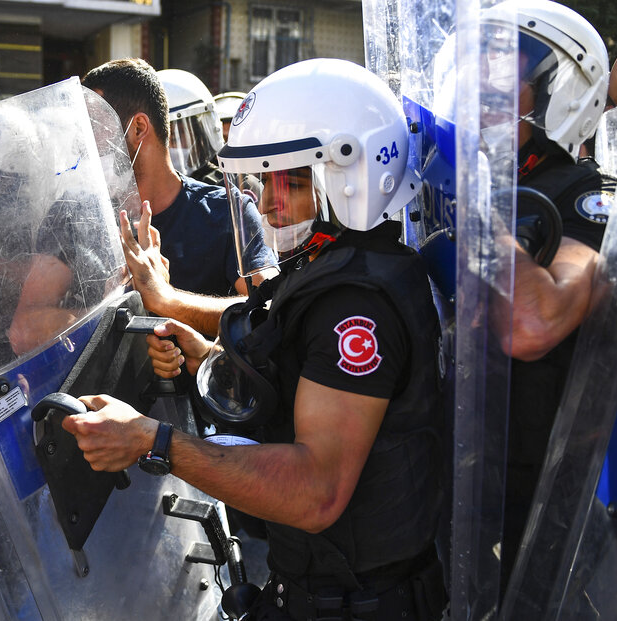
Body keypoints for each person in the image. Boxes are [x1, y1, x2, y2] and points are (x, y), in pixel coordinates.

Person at [63, 59, 447, 621]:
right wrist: (210, 357)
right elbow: (300, 382)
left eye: (285, 180)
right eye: (261, 182)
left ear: (347, 171)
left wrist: (154, 441)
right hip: (311, 589)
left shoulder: (355, 305)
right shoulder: (330, 270)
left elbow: (318, 490)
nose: (266, 203)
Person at [471, 0, 616, 587]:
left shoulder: (590, 195)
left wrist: (477, 206)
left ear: (565, 93)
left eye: (506, 83)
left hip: (544, 494)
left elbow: (534, 323)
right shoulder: (474, 175)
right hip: (464, 477)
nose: (485, 95)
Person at [81, 59, 274, 309]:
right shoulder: (80, 218)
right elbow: (27, 325)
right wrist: (103, 310)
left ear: (138, 128)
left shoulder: (228, 212)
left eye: (95, 126)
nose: (85, 143)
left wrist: (167, 301)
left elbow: (269, 309)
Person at [158, 68, 225, 185]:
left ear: (200, 138)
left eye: (174, 138)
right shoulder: (136, 190)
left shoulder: (226, 190)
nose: (166, 147)